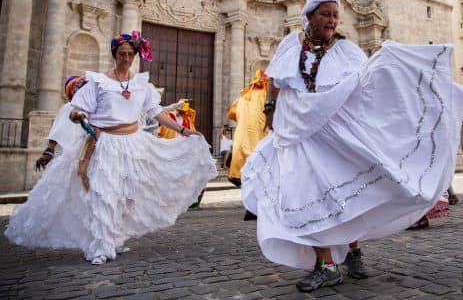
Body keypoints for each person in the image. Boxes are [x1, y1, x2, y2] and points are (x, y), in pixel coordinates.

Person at [241, 0, 463, 292]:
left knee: (341, 194)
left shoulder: (346, 50)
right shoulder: (290, 44)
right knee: (304, 194)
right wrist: (270, 110)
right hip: (295, 132)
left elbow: (367, 85)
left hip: (333, 136)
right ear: (309, 16)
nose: (333, 20)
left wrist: (393, 63)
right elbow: (274, 79)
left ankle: (352, 252)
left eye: (336, 15)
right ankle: (325, 265)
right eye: (326, 14)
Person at [5, 31, 217, 265]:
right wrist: (78, 115)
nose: (125, 58)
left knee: (125, 195)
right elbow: (79, 109)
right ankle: (99, 247)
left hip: (133, 144)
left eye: (130, 54)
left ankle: (113, 239)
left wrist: (183, 131)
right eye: (121, 54)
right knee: (103, 193)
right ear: (114, 55)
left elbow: (156, 113)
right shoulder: (98, 82)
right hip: (104, 145)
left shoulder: (140, 84)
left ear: (135, 55)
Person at [34, 75, 89, 171]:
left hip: (84, 157)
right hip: (67, 156)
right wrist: (49, 151)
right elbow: (58, 130)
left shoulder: (89, 109)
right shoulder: (68, 107)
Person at [226, 69, 269, 188]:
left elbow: (232, 113)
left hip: (242, 138)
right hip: (260, 136)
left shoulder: (243, 96)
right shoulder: (266, 95)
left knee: (246, 170)